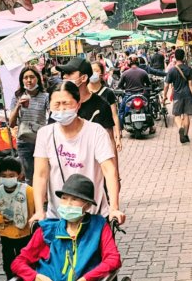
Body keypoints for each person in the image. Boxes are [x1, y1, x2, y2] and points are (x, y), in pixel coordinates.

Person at [32, 81, 125, 225]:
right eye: (56, 104)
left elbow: (109, 170)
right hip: (58, 217)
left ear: (78, 104)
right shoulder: (45, 134)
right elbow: (40, 175)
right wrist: (39, 211)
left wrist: (114, 208)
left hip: (94, 216)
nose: (61, 109)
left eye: (66, 103)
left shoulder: (96, 132)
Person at [0, 157, 35, 279]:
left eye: (11, 175)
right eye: (4, 175)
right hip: (6, 234)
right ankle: (10, 279)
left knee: (25, 258)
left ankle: (27, 279)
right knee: (8, 258)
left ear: (19, 175)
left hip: (25, 233)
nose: (7, 178)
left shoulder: (28, 191)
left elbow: (35, 207)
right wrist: (0, 218)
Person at [9, 67, 49, 186]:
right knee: (29, 176)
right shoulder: (17, 96)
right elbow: (11, 123)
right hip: (24, 141)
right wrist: (18, 106)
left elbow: (51, 115)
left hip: (41, 140)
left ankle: (44, 199)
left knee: (44, 172)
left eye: (32, 77)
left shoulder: (45, 96)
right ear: (22, 81)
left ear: (38, 79)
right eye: (25, 78)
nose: (29, 80)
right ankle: (33, 201)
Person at [163, 49, 192, 144]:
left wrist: (164, 96)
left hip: (177, 95)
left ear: (175, 58)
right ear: (184, 57)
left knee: (177, 115)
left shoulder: (172, 70)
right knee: (186, 115)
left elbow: (166, 85)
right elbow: (191, 84)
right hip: (188, 95)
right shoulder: (188, 69)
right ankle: (185, 135)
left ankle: (180, 127)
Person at [89, 61, 122, 154]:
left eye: (96, 70)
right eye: (90, 71)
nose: (93, 73)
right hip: (88, 138)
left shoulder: (108, 93)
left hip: (106, 136)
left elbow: (114, 115)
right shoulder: (83, 93)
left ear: (102, 74)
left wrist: (118, 137)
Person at [117, 56, 151, 127]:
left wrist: (124, 87)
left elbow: (119, 85)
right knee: (148, 109)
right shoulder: (143, 72)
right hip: (141, 95)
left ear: (129, 64)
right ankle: (151, 127)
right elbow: (148, 84)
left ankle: (120, 131)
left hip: (128, 96)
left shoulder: (125, 73)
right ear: (138, 63)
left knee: (121, 111)